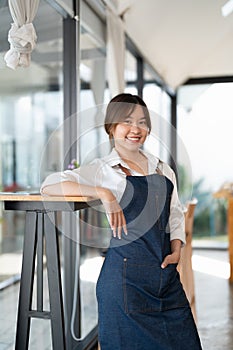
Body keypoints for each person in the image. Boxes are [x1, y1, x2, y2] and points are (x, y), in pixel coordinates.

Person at [41, 93, 202, 350]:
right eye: (127, 121)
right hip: (124, 286)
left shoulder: (163, 168)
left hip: (165, 280)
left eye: (142, 122)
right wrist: (102, 193)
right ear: (111, 127)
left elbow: (174, 213)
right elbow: (49, 185)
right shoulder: (103, 170)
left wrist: (177, 248)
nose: (136, 129)